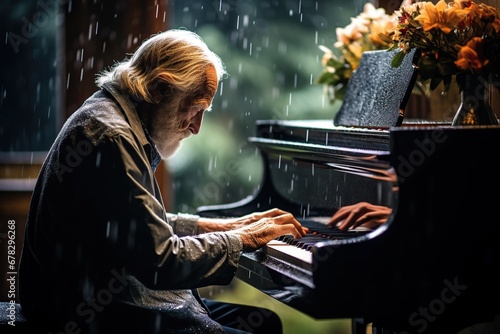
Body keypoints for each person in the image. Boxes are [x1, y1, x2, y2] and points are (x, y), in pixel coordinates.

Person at [18, 29, 308, 334]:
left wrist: (226, 226)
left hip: (96, 296)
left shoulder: (111, 113)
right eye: (195, 109)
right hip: (87, 312)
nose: (196, 127)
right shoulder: (112, 135)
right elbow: (160, 263)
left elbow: (129, 225)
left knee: (266, 323)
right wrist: (243, 239)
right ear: (158, 89)